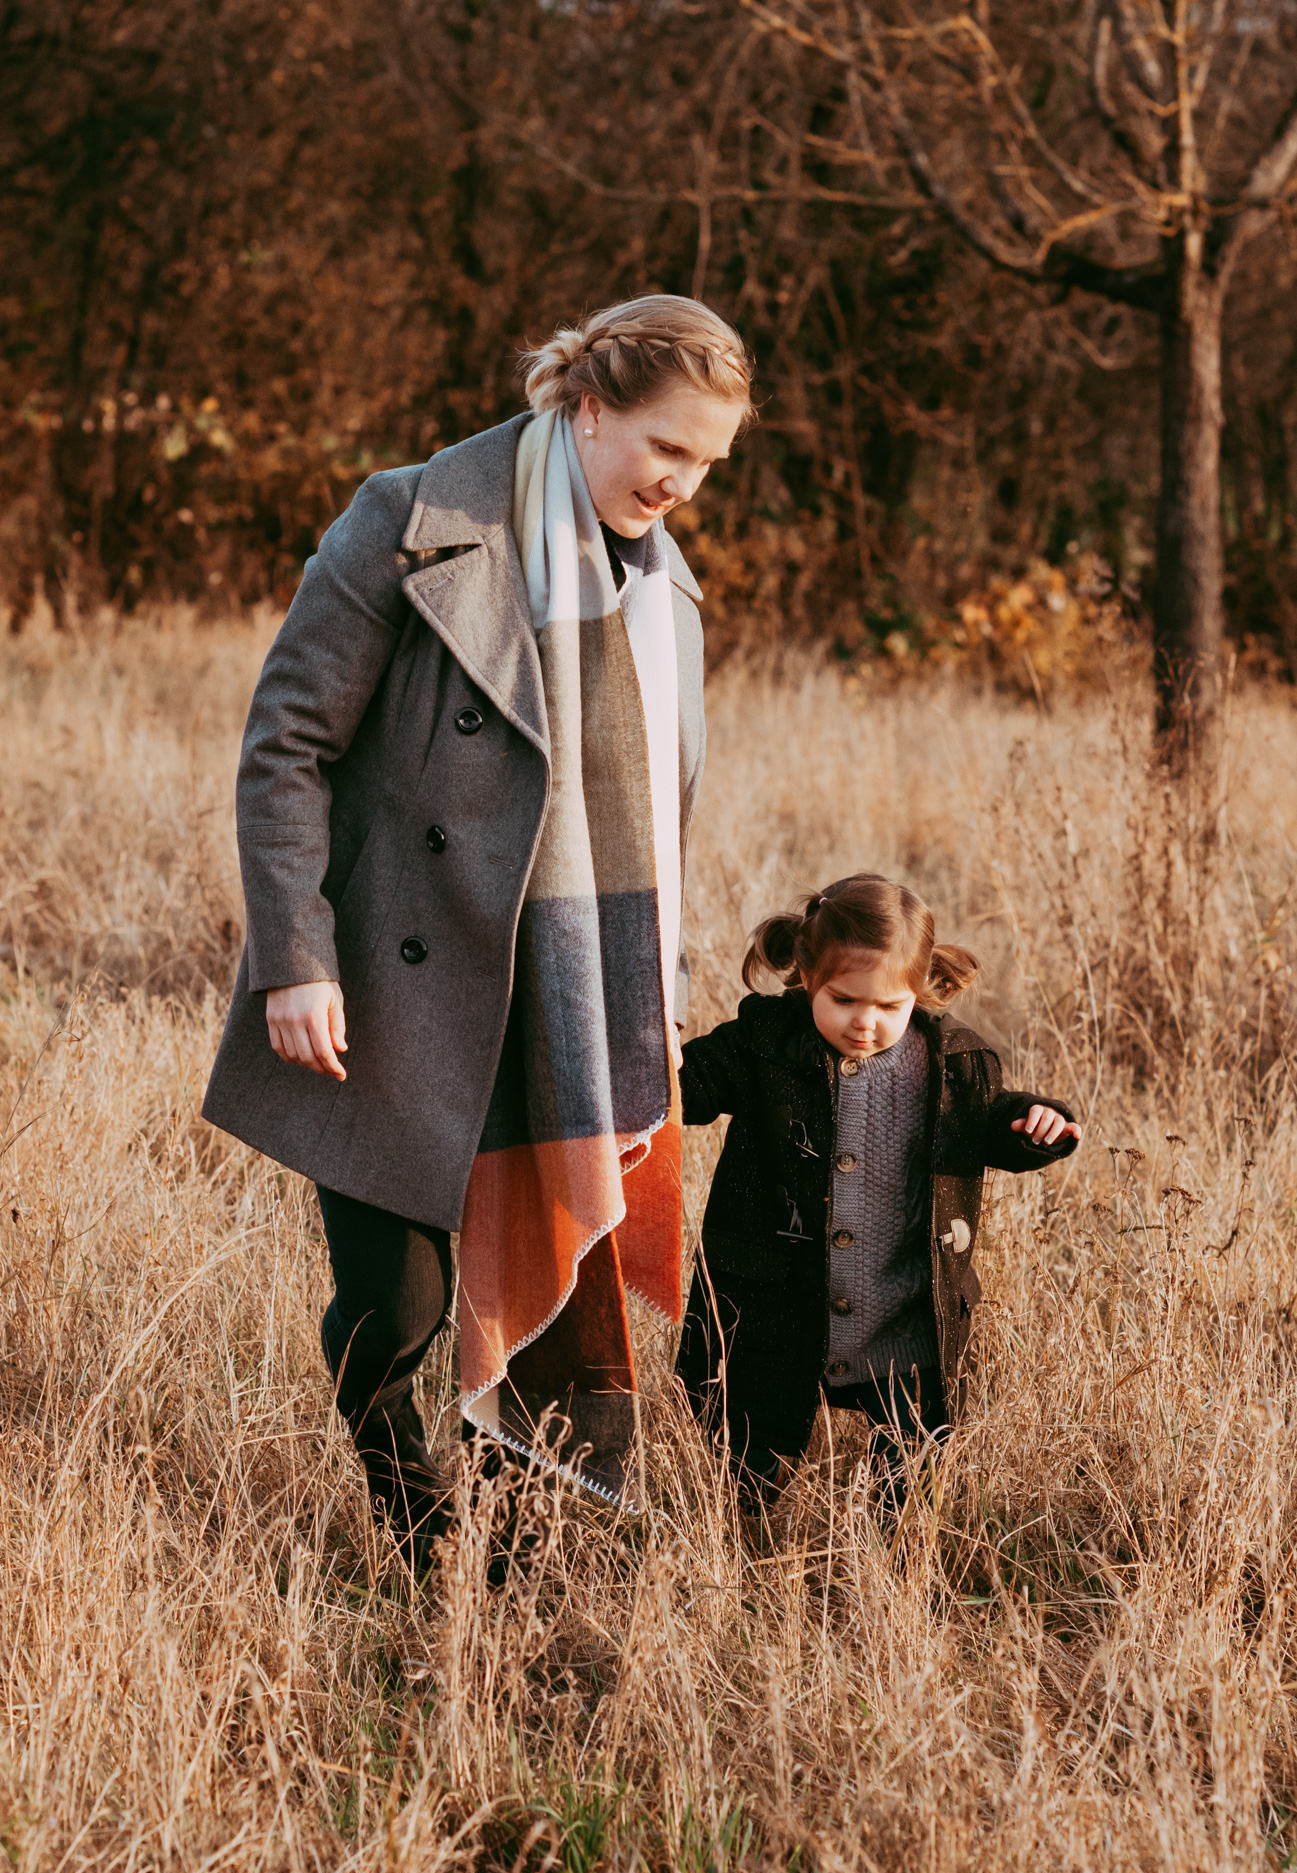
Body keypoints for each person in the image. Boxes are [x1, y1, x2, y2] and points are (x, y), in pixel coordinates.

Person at [202, 295, 755, 1565]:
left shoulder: (666, 599)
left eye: (709, 464)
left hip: (573, 991)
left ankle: (522, 1563)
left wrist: (655, 978)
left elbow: (656, 824)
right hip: (391, 981)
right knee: (390, 1313)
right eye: (666, 448)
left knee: (560, 1303)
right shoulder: (414, 520)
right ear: (589, 405)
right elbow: (285, 744)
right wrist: (294, 957)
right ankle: (423, 1542)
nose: (683, 484)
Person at [675, 872, 1082, 1502]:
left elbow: (991, 1123)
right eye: (844, 1000)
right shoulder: (762, 1042)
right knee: (741, 1460)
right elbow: (689, 1090)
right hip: (772, 1302)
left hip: (903, 1307)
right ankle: (739, 1543)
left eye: (890, 1006)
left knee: (913, 1461)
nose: (866, 1022)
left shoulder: (954, 1065)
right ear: (807, 978)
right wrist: (657, 1056)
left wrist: (1037, 1126)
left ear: (918, 993)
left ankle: (882, 1563)